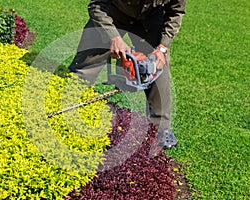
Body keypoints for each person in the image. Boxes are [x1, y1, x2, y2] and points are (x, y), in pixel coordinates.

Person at [68, 0, 186, 150]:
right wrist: (114, 38)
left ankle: (162, 128)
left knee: (157, 66)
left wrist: (162, 47)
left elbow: (176, 12)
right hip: (111, 13)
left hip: (150, 19)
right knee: (84, 68)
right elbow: (96, 5)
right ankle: (66, 107)